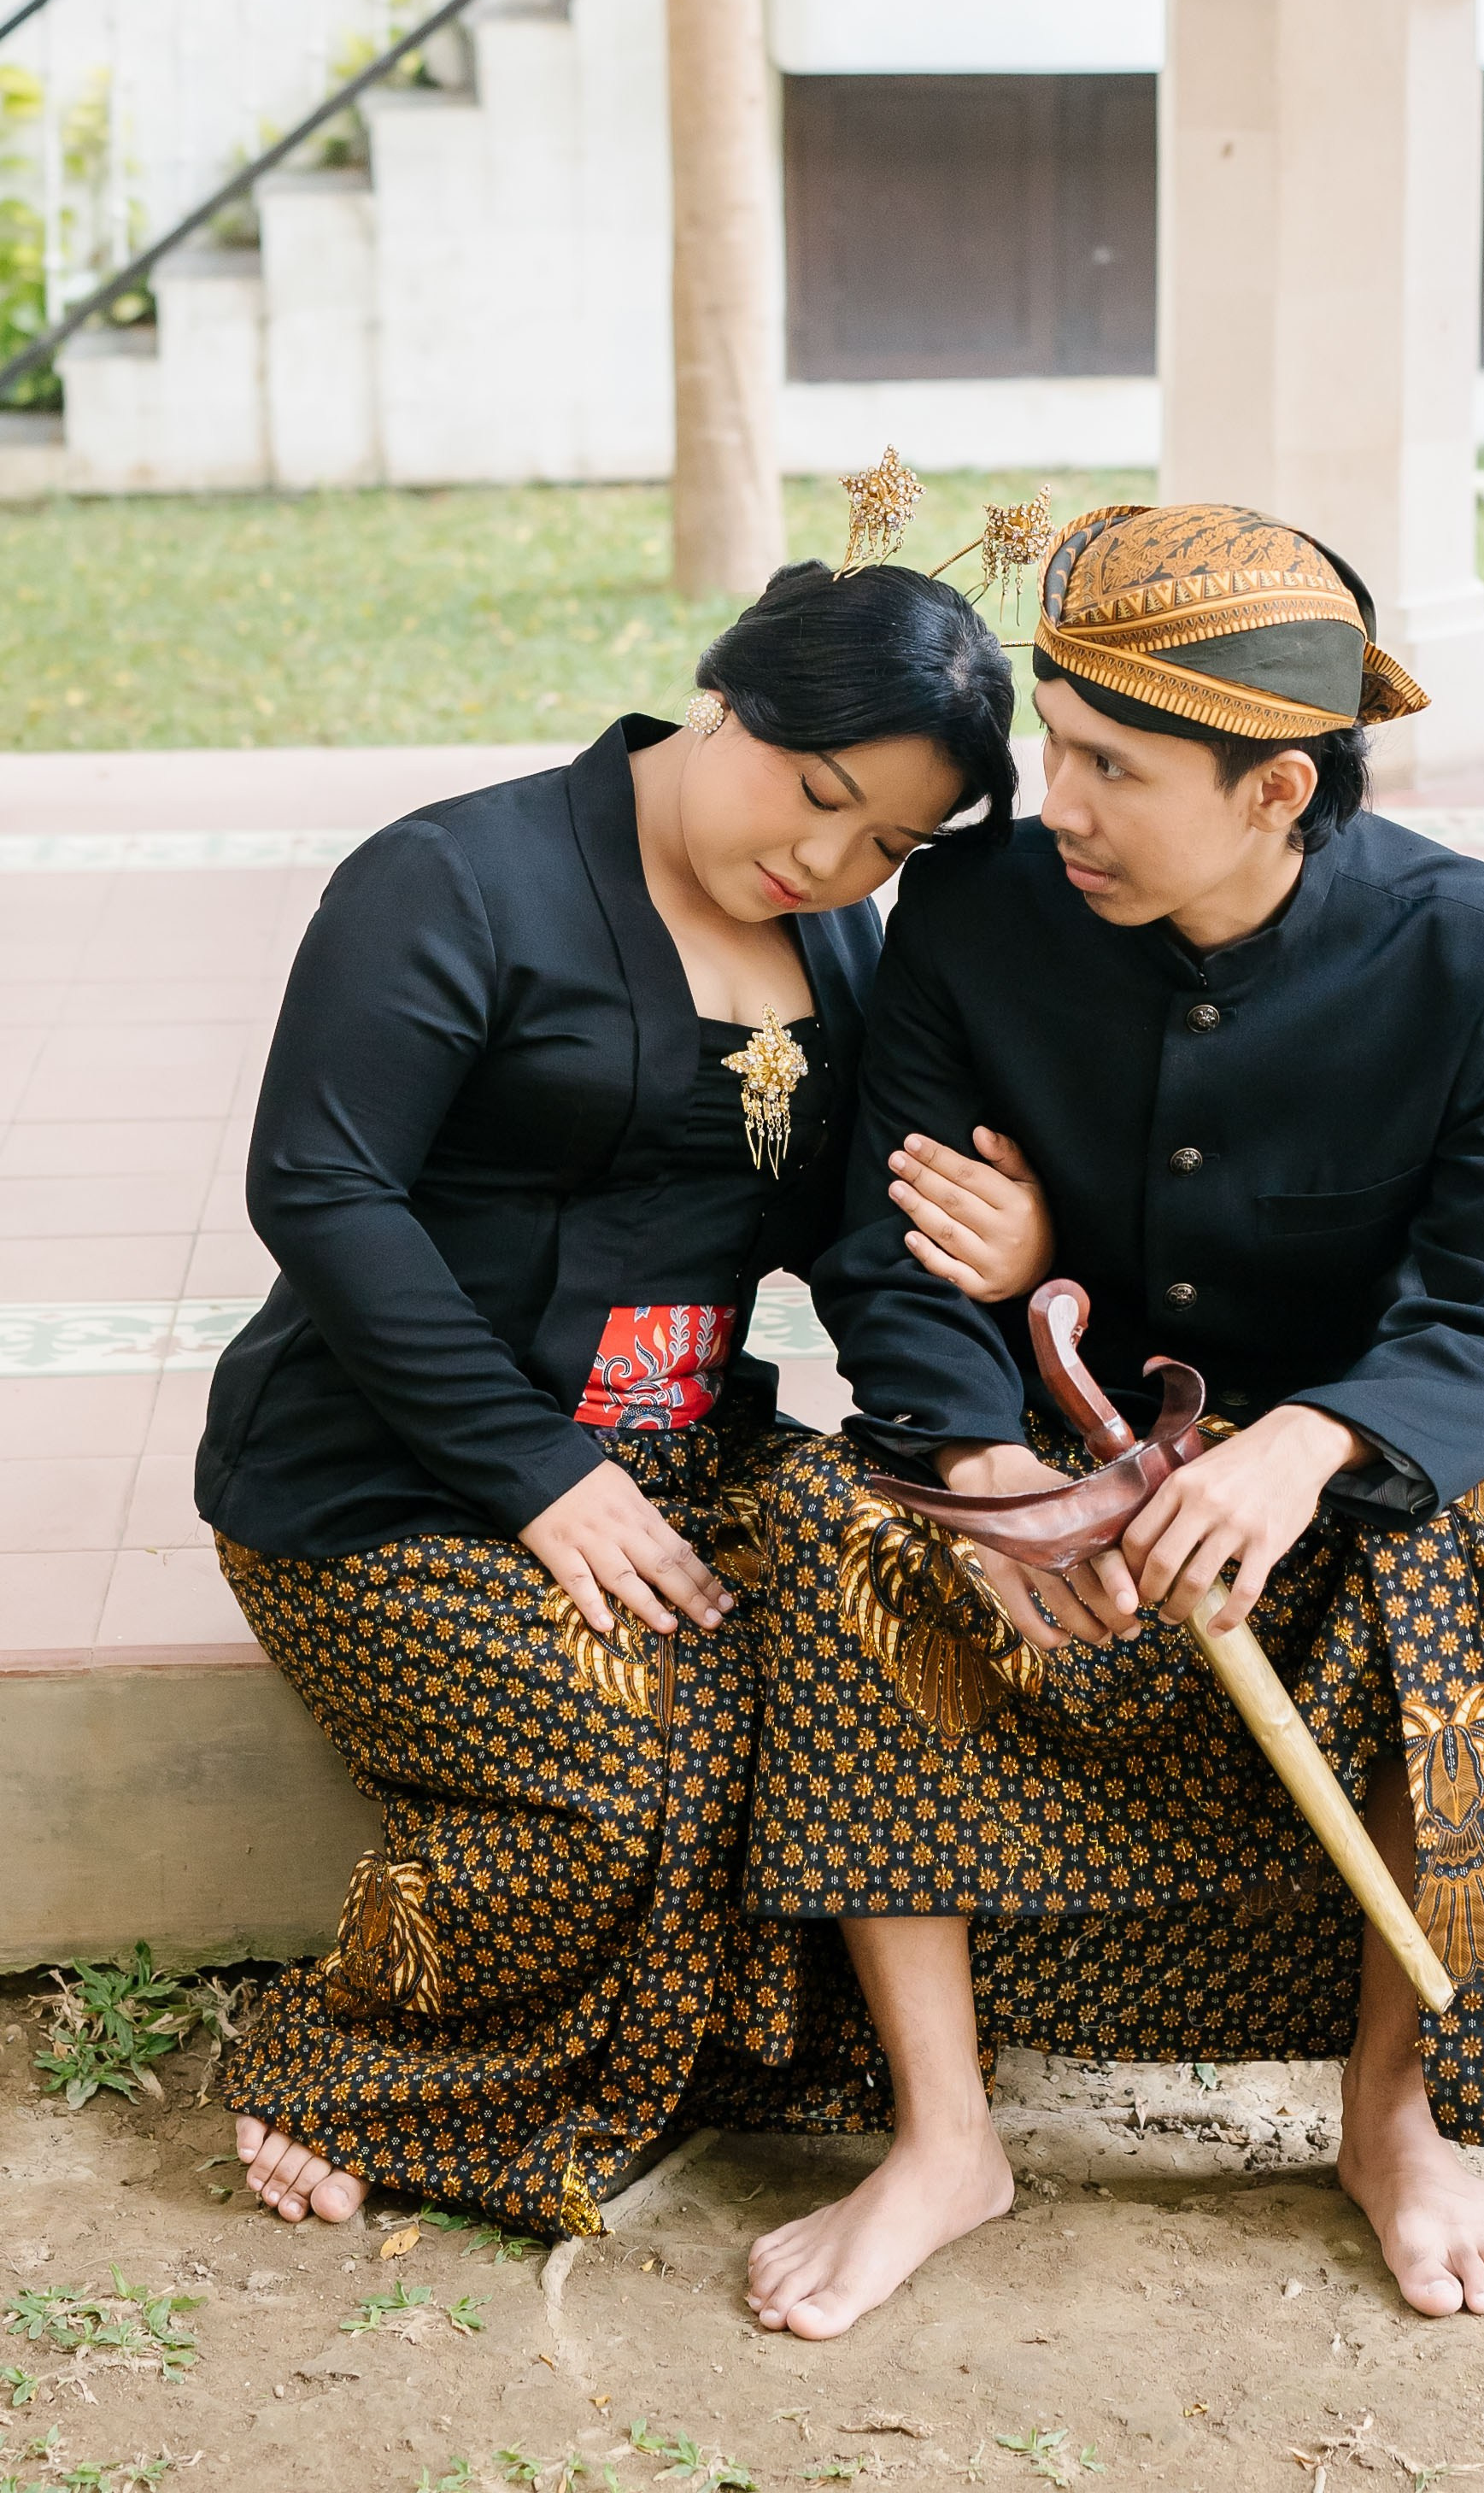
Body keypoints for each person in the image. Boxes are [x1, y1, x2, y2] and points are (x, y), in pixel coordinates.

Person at [740, 502, 1484, 2336]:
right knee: (831, 1521)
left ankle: (1394, 2122)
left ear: (1277, 790)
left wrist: (1311, 1440)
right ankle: (943, 2137)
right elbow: (892, 1250)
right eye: (1055, 744)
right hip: (1051, 1453)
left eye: (1111, 767)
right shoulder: (970, 911)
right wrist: (982, 1461)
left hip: (1329, 1483)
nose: (1053, 801)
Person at [203, 553, 1055, 2238]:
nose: (830, 862)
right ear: (724, 696)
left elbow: (858, 1232)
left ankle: (862, 2098)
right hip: (393, 1470)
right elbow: (322, 1186)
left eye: (886, 844)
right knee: (621, 1773)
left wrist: (991, 1375)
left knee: (908, 1617)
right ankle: (369, 2057)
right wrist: (536, 1469)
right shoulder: (454, 877)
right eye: (819, 795)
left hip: (685, 1454)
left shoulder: (837, 935)